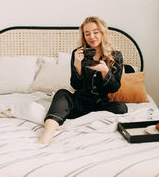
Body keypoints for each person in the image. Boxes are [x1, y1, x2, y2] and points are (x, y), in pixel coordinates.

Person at [37, 16, 127, 144]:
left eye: (95, 32)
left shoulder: (115, 56)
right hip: (79, 103)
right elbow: (76, 85)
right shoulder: (78, 53)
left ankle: (84, 118)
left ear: (102, 33)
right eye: (87, 33)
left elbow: (114, 87)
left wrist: (105, 71)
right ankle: (46, 136)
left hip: (101, 105)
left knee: (122, 108)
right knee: (62, 93)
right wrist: (77, 65)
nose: (92, 37)